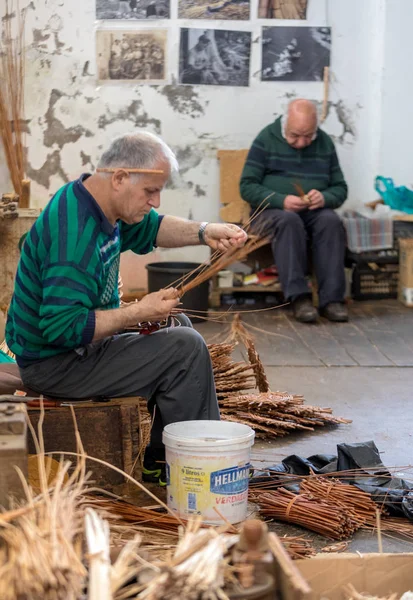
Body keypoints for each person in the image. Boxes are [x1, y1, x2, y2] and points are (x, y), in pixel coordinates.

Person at [6, 132, 247, 485]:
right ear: (119, 178)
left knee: (175, 323)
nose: (156, 200)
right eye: (150, 191)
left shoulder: (102, 204)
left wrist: (205, 231)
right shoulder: (75, 236)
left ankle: (160, 458)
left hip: (74, 349)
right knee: (186, 348)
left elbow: (153, 227)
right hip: (55, 364)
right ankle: (194, 470)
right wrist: (137, 312)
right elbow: (62, 328)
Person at [240, 99, 348, 323]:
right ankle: (299, 298)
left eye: (308, 136)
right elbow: (247, 186)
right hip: (269, 213)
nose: (301, 143)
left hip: (312, 212)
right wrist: (282, 200)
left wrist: (325, 197)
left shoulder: (325, 142)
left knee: (331, 221)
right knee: (289, 221)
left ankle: (332, 300)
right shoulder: (266, 138)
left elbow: (340, 188)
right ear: (285, 122)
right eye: (294, 135)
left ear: (316, 127)